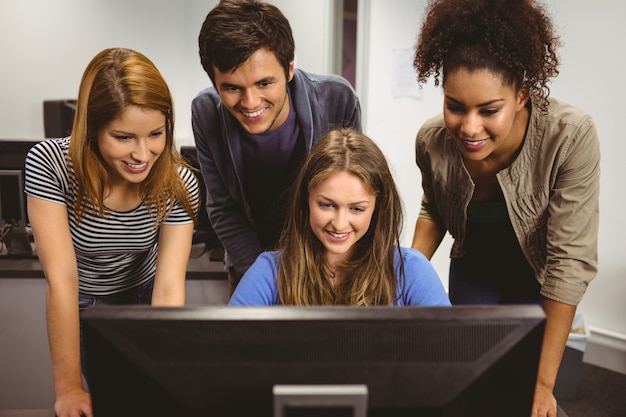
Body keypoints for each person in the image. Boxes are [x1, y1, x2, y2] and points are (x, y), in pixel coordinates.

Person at [409, 1, 600, 416]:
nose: (469, 128)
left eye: (489, 110)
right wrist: (401, 275)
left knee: (531, 396)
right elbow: (435, 209)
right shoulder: (431, 140)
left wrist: (544, 385)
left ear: (521, 94)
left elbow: (570, 262)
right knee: (473, 386)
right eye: (455, 106)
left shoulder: (569, 136)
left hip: (538, 280)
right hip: (474, 272)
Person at [25, 47, 199, 417]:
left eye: (155, 134)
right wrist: (69, 389)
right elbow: (62, 279)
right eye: (123, 137)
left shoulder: (178, 181)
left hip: (145, 300)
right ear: (92, 128)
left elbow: (168, 286)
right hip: (84, 303)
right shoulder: (50, 165)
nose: (143, 154)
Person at [192, 0, 362, 295]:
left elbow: (352, 194)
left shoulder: (337, 99)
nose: (250, 102)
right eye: (231, 88)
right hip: (249, 265)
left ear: (290, 68)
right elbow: (222, 207)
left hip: (325, 266)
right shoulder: (205, 112)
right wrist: (264, 277)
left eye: (264, 83)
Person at [229, 128, 450, 307]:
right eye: (326, 205)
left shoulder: (411, 270)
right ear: (307, 200)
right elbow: (222, 348)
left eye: (357, 209)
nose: (339, 223)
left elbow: (452, 351)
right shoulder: (270, 271)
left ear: (378, 207)